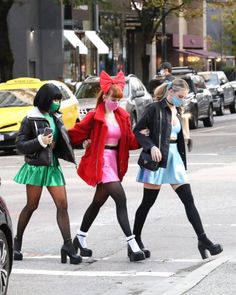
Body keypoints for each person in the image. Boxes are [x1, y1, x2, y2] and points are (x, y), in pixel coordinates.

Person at [132, 78, 223, 259]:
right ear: (171, 92)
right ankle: (135, 241)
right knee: (147, 202)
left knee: (189, 200)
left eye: (185, 97)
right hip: (158, 160)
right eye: (180, 96)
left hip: (174, 160)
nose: (183, 99)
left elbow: (177, 135)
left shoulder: (178, 110)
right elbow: (137, 130)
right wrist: (151, 147)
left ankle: (203, 240)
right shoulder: (154, 108)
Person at [68, 70, 145, 262]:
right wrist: (57, 135)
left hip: (114, 161)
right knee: (121, 199)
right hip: (101, 162)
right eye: (113, 98)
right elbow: (75, 133)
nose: (116, 103)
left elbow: (129, 142)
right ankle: (133, 244)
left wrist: (146, 137)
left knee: (97, 202)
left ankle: (79, 238)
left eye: (119, 99)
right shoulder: (95, 116)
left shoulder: (122, 116)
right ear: (104, 96)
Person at [13, 83, 82, 265]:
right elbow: (20, 145)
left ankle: (68, 245)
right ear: (45, 99)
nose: (57, 103)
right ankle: (16, 242)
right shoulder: (31, 118)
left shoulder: (55, 117)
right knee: (31, 205)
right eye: (55, 99)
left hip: (52, 166)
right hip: (36, 167)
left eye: (59, 100)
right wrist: (39, 141)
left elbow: (64, 139)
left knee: (62, 205)